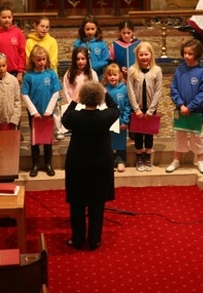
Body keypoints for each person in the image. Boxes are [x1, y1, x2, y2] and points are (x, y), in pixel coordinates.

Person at [62, 80, 119, 251]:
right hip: (100, 165)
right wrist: (105, 93)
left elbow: (65, 119)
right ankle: (95, 240)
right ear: (99, 98)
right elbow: (115, 107)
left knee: (77, 204)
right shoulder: (106, 116)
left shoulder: (74, 117)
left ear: (83, 98)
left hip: (77, 164)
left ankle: (77, 239)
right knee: (97, 204)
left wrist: (74, 100)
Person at [166, 38, 203, 174]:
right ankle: (176, 160)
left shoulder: (202, 72)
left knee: (197, 137)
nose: (186, 56)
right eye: (185, 53)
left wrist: (190, 106)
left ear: (197, 54)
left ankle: (200, 161)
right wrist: (180, 104)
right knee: (180, 135)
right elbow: (174, 88)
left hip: (196, 111)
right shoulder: (180, 69)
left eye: (190, 54)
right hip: (181, 110)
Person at [22, 45, 61, 177]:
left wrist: (49, 110)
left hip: (47, 112)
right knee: (35, 138)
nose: (41, 62)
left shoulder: (51, 74)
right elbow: (25, 95)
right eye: (38, 60)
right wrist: (34, 112)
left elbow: (56, 92)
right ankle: (35, 164)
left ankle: (48, 163)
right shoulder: (29, 76)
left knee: (47, 138)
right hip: (35, 113)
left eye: (43, 59)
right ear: (33, 60)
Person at [127, 42, 163, 172]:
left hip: (150, 108)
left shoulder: (157, 70)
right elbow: (130, 91)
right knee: (137, 134)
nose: (144, 57)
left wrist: (151, 110)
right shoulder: (132, 70)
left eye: (146, 54)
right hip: (137, 108)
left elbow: (158, 91)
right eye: (141, 55)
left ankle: (147, 157)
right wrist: (136, 109)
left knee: (148, 133)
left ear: (151, 55)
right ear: (137, 56)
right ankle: (139, 158)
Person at [25, 17, 62, 139]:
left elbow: (53, 58)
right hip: (35, 73)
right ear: (35, 26)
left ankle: (57, 129)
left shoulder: (52, 41)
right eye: (42, 26)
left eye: (47, 27)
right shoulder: (29, 41)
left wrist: (46, 69)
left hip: (49, 73)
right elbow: (28, 56)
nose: (44, 29)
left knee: (53, 105)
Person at [0, 4, 26, 84]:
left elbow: (22, 53)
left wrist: (20, 72)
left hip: (14, 72)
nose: (7, 20)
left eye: (9, 17)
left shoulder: (18, 33)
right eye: (4, 17)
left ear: (12, 18)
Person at [103, 63, 132, 172]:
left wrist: (125, 121)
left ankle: (120, 160)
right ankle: (109, 161)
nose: (112, 77)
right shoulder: (104, 90)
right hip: (108, 122)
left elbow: (127, 106)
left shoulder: (124, 89)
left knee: (120, 141)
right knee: (108, 142)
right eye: (110, 75)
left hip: (121, 121)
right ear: (106, 76)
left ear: (119, 75)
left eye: (115, 75)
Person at [72, 15, 109, 80]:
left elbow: (105, 59)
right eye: (87, 29)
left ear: (96, 28)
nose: (90, 32)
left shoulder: (101, 43)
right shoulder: (78, 43)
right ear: (83, 29)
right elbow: (74, 58)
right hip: (82, 75)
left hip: (98, 75)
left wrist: (95, 66)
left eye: (92, 29)